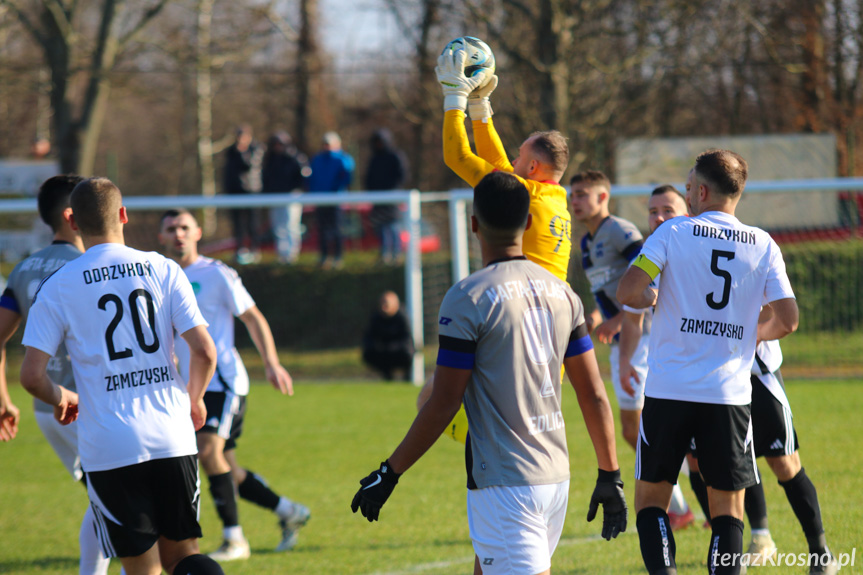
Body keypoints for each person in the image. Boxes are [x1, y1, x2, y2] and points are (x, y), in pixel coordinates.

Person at [351, 171, 627, 575]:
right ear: (529, 222)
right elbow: (594, 395)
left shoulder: (468, 297)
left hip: (505, 482)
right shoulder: (563, 293)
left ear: (474, 224)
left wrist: (389, 472)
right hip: (555, 476)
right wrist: (610, 474)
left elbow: (443, 402)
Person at [19, 177, 223, 575]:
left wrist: (62, 397)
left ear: (73, 222)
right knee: (185, 557)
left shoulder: (58, 285)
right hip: (171, 433)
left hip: (109, 444)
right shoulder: (162, 268)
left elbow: (30, 376)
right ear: (123, 215)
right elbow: (204, 351)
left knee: (143, 569)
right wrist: (194, 399)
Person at [617, 150, 800, 575]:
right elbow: (788, 320)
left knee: (651, 501)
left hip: (667, 391)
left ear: (700, 191)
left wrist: (648, 296)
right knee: (727, 509)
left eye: (686, 189)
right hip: (729, 395)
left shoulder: (672, 233)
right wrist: (752, 333)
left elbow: (629, 291)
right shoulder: (763, 243)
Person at [158, 209, 310, 561]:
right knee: (226, 466)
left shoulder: (216, 274)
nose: (178, 233)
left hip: (222, 382)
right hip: (186, 386)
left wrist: (271, 363)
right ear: (161, 237)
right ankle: (289, 511)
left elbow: (253, 317)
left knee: (207, 453)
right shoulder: (159, 276)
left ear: (197, 232)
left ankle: (235, 540)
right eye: (171, 229)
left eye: (184, 227)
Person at [0, 174, 119, 574]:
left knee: (104, 497)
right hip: (84, 405)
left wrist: (3, 399)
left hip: (44, 405)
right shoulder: (87, 268)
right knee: (122, 497)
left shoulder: (24, 268)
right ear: (75, 216)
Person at [571, 172, 694, 527]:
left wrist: (622, 317)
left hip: (643, 336)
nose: (575, 200)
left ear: (603, 196)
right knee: (632, 430)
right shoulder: (587, 242)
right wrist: (599, 316)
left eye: (582, 194)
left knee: (644, 429)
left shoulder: (621, 231)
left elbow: (645, 279)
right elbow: (609, 289)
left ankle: (684, 497)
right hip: (624, 339)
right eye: (573, 194)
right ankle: (681, 503)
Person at [615, 184, 696, 531]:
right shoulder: (649, 255)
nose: (659, 217)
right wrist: (624, 363)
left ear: (688, 213)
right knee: (655, 455)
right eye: (653, 211)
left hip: (708, 377)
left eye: (668, 210)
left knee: (702, 458)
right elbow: (632, 314)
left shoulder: (703, 249)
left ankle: (755, 533)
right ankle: (678, 518)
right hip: (663, 372)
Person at [307, 131, 354, 269]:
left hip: (335, 200)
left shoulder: (342, 159)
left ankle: (338, 257)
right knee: (322, 229)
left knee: (336, 229)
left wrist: (337, 189)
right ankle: (324, 256)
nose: (326, 147)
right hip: (321, 199)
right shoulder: (317, 159)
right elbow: (312, 178)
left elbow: (347, 177)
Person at [262, 131, 307, 264]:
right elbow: (267, 177)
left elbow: (303, 175)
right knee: (278, 226)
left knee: (291, 225)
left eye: (280, 144)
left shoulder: (294, 157)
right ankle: (282, 255)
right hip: (275, 196)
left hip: (291, 196)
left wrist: (296, 189)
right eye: (275, 144)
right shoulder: (271, 159)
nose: (277, 146)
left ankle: (292, 254)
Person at [365, 129, 408, 264]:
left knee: (393, 225)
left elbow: (403, 174)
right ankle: (385, 254)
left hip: (392, 197)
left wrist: (392, 188)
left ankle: (396, 253)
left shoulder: (396, 155)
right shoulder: (374, 158)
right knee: (381, 226)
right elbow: (369, 178)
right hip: (378, 198)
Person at [223, 124, 264, 265]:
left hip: (251, 191)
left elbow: (248, 165)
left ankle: (255, 250)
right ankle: (240, 250)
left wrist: (242, 152)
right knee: (237, 223)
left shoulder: (256, 149)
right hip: (235, 192)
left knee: (252, 223)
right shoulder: (231, 151)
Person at [361, 290, 414, 381]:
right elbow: (368, 337)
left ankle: (407, 377)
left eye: (386, 304)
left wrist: (393, 347)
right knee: (369, 353)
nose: (383, 307)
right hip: (383, 352)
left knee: (407, 352)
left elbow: (407, 340)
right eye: (382, 303)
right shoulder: (376, 317)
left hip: (398, 351)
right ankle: (387, 376)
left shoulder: (402, 317)